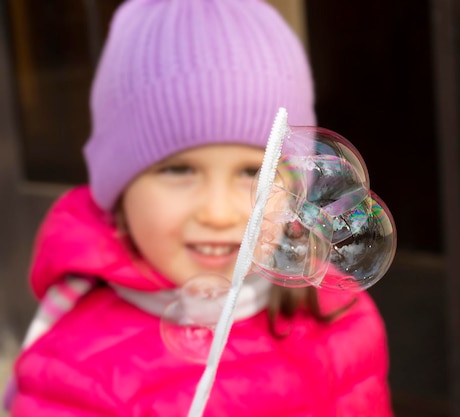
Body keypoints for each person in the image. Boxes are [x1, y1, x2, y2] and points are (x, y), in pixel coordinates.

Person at [4, 0, 394, 415]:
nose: (219, 213)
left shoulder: (344, 323)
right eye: (179, 169)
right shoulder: (71, 369)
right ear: (119, 191)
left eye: (252, 174)